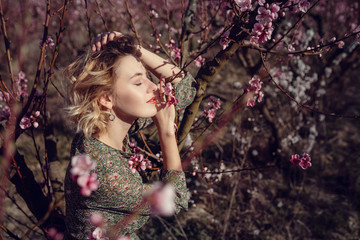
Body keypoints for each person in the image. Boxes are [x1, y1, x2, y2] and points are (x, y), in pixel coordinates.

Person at [64, 31, 196, 240]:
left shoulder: (101, 129)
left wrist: (135, 49)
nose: (153, 87)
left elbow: (186, 88)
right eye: (138, 82)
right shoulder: (107, 175)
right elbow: (176, 200)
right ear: (106, 98)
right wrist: (167, 133)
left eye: (146, 77)